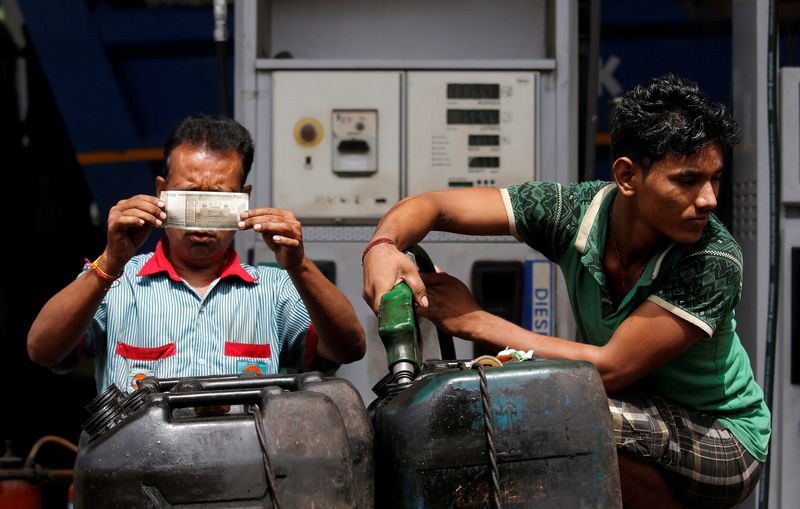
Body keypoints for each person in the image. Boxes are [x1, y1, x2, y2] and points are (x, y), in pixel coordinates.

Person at [361, 74, 770, 509]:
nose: (708, 199)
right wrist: (381, 248)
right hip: (636, 412)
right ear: (628, 177)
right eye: (688, 180)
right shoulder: (571, 211)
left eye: (715, 179)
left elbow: (611, 370)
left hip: (723, 439)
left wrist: (476, 320)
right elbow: (434, 206)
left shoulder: (713, 259)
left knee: (549, 409)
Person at [28, 114, 365, 393]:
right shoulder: (116, 283)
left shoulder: (275, 291)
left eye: (217, 202)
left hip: (245, 466)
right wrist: (111, 261)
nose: (202, 222)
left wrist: (300, 266)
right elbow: (42, 350)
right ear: (162, 191)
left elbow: (350, 347)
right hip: (139, 467)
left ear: (243, 199)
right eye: (190, 199)